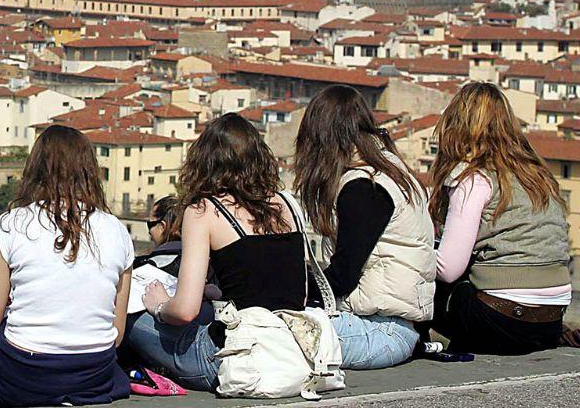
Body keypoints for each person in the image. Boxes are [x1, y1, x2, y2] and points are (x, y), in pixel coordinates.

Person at [0, 125, 133, 406]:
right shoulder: (118, 231)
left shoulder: (11, 224)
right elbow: (117, 334)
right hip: (93, 376)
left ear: (35, 169)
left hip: (24, 377)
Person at [124, 113, 305, 393]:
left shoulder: (204, 211)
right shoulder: (287, 205)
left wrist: (158, 305)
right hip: (293, 353)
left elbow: (184, 311)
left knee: (127, 313)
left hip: (234, 360)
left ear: (204, 161)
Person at [292, 85, 435, 370]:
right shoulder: (388, 168)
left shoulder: (364, 188)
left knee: (270, 334)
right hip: (394, 325)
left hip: (383, 330)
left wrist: (287, 291)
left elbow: (344, 275)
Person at [428, 82, 572, 354]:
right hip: (552, 319)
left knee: (426, 284)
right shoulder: (538, 175)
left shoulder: (474, 179)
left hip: (502, 319)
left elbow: (448, 269)